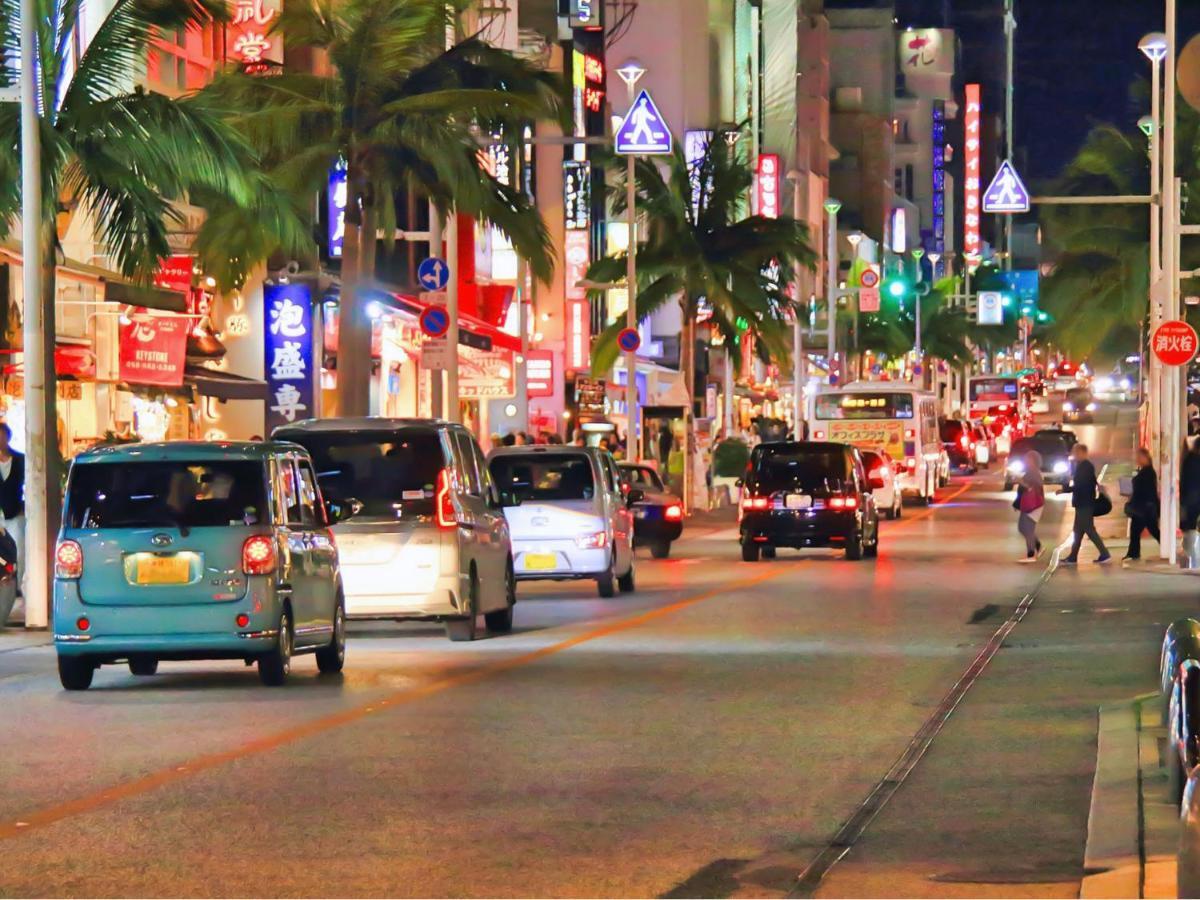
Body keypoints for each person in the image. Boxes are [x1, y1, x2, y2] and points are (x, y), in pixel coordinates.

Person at [1062, 443, 1111, 565]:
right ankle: (1073, 556)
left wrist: (1065, 489)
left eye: (1076, 452)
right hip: (1082, 502)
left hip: (1085, 503)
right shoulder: (1081, 466)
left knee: (1089, 529)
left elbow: (1081, 486)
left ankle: (1105, 553)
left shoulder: (1085, 466)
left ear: (1083, 453)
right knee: (1078, 530)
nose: (1074, 455)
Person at [0, 423, 26, 593]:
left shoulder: (20, 460)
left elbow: (30, 485)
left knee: (19, 551)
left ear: (8, 437)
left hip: (15, 513)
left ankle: (18, 586)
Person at [1125, 447, 1161, 562]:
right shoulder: (1145, 471)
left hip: (1145, 507)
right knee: (1138, 530)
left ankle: (1134, 553)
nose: (1137, 459)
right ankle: (1133, 553)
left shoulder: (1148, 472)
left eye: (1139, 457)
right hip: (1143, 506)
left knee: (1150, 529)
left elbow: (1145, 489)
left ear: (1146, 458)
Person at [1015, 450, 1045, 562]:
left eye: (1028, 459)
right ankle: (1038, 546)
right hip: (1028, 504)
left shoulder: (1035, 473)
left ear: (1034, 461)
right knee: (1022, 527)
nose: (1026, 461)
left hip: (1034, 504)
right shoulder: (1029, 472)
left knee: (1028, 528)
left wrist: (1021, 482)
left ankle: (1031, 554)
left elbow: (1034, 487)